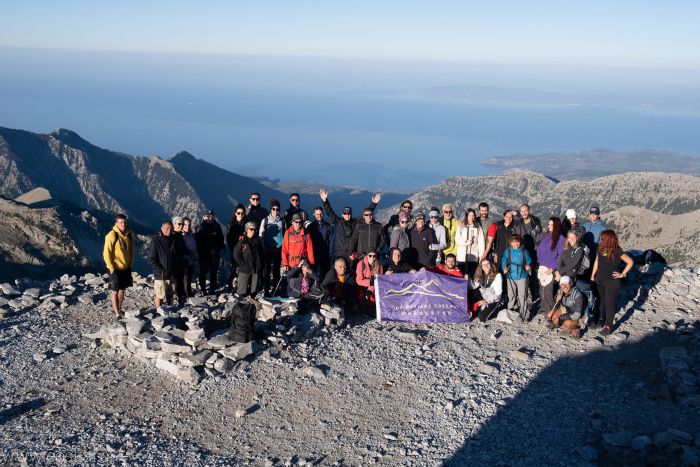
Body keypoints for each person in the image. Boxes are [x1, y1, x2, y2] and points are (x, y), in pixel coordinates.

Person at [590, 230, 634, 336]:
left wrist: (622, 274)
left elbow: (630, 262)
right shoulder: (600, 247)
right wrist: (592, 275)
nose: (601, 240)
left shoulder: (617, 250)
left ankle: (608, 326)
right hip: (599, 279)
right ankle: (598, 321)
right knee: (600, 301)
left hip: (612, 281)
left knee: (609, 304)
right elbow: (597, 261)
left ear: (608, 239)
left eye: (603, 238)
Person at [319, 188, 380, 264]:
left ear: (351, 214)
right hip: (340, 254)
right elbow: (330, 212)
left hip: (352, 254)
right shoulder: (338, 222)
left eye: (349, 213)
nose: (347, 215)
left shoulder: (355, 222)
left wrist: (373, 203)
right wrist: (325, 201)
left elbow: (365, 214)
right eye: (345, 213)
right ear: (342, 214)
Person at [103, 213, 135, 319]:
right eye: (121, 222)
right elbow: (106, 253)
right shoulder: (112, 235)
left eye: (124, 222)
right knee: (115, 290)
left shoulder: (129, 234)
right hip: (115, 267)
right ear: (116, 223)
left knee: (122, 289)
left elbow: (131, 251)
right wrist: (111, 268)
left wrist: (130, 264)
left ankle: (118, 309)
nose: (123, 224)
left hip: (125, 267)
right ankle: (117, 314)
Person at [536, 217, 565, 315]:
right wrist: (538, 264)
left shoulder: (561, 239)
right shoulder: (546, 235)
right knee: (541, 290)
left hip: (550, 269)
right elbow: (540, 250)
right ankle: (543, 307)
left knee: (548, 291)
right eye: (549, 224)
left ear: (556, 226)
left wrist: (552, 268)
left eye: (551, 224)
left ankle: (551, 312)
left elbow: (560, 256)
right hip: (541, 267)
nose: (548, 226)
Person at [501, 234, 532, 322]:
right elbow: (504, 260)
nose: (515, 244)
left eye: (517, 242)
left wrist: (528, 266)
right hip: (510, 276)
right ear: (510, 243)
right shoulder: (508, 251)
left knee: (522, 296)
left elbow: (529, 261)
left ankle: (524, 315)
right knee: (511, 295)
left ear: (520, 242)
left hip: (522, 276)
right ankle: (511, 313)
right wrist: (504, 268)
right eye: (513, 242)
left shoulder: (524, 252)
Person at [196, 209, 225, 295]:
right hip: (204, 254)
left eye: (211, 216)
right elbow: (197, 241)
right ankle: (203, 289)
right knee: (203, 272)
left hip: (215, 254)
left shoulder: (217, 226)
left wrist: (220, 248)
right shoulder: (200, 227)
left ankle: (212, 288)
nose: (209, 218)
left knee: (214, 272)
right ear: (203, 216)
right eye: (207, 216)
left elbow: (221, 238)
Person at [232, 221, 265, 297]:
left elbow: (261, 254)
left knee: (254, 290)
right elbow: (236, 254)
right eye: (251, 229)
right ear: (246, 230)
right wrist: (242, 264)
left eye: (255, 229)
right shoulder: (242, 241)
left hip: (255, 269)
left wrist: (260, 265)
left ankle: (252, 300)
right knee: (242, 290)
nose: (253, 231)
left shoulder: (257, 241)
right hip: (245, 269)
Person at [148, 220, 176, 308]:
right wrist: (160, 270)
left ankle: (170, 309)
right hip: (161, 274)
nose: (168, 230)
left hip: (172, 273)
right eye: (166, 228)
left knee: (170, 293)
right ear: (161, 228)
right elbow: (151, 258)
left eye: (170, 228)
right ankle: (158, 311)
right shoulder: (156, 241)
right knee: (160, 294)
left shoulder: (173, 239)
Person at [259, 198, 284, 295]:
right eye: (273, 209)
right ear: (270, 209)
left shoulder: (282, 221)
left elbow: (284, 235)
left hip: (278, 250)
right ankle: (266, 290)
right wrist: (263, 248)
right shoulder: (265, 220)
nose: (275, 211)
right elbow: (261, 235)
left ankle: (275, 289)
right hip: (267, 249)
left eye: (277, 209)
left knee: (277, 271)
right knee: (267, 270)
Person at [469, 258, 504, 323]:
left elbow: (498, 295)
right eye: (483, 265)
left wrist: (485, 301)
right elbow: (473, 286)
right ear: (481, 267)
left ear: (491, 265)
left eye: (488, 264)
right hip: (484, 298)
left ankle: (499, 309)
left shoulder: (497, 275)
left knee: (482, 318)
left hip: (494, 300)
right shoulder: (480, 275)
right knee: (474, 292)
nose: (486, 266)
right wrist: (468, 279)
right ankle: (481, 308)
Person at [455, 208, 485, 277]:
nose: (471, 217)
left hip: (473, 257)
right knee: (461, 276)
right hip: (461, 257)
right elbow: (457, 240)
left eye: (473, 215)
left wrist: (481, 258)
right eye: (470, 215)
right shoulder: (461, 226)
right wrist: (467, 243)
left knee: (471, 276)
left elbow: (481, 243)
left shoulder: (478, 227)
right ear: (466, 216)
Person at [307, 206, 333, 279]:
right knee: (312, 274)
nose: (319, 216)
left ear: (323, 214)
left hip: (325, 254)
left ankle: (325, 289)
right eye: (317, 214)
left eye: (320, 214)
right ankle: (313, 288)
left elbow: (331, 242)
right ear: (314, 214)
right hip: (313, 254)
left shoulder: (328, 226)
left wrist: (330, 254)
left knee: (325, 274)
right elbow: (308, 242)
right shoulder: (310, 227)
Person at [355, 249, 383, 317]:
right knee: (363, 297)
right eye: (370, 256)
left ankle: (370, 309)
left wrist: (370, 290)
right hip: (362, 286)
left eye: (374, 256)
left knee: (373, 306)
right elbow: (359, 280)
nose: (372, 258)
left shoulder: (379, 266)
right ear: (367, 256)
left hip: (373, 288)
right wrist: (370, 282)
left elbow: (378, 281)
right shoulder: (361, 264)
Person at [226, 204, 247, 289]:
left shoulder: (247, 224)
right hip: (234, 249)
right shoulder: (231, 225)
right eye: (238, 213)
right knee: (234, 267)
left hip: (244, 250)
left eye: (242, 213)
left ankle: (242, 285)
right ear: (235, 213)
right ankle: (232, 285)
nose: (240, 215)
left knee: (243, 267)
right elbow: (228, 239)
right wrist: (233, 250)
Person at [171, 216, 189, 305]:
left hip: (181, 262)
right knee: (177, 281)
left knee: (181, 280)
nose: (181, 226)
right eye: (179, 224)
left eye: (182, 224)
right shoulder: (172, 236)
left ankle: (181, 297)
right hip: (174, 263)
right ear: (174, 224)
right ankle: (177, 298)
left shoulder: (180, 235)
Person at [181, 217, 198, 297]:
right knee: (186, 277)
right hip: (185, 261)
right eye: (185, 224)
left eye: (189, 225)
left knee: (190, 276)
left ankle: (188, 292)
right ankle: (186, 294)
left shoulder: (191, 234)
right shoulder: (181, 235)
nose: (187, 226)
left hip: (192, 260)